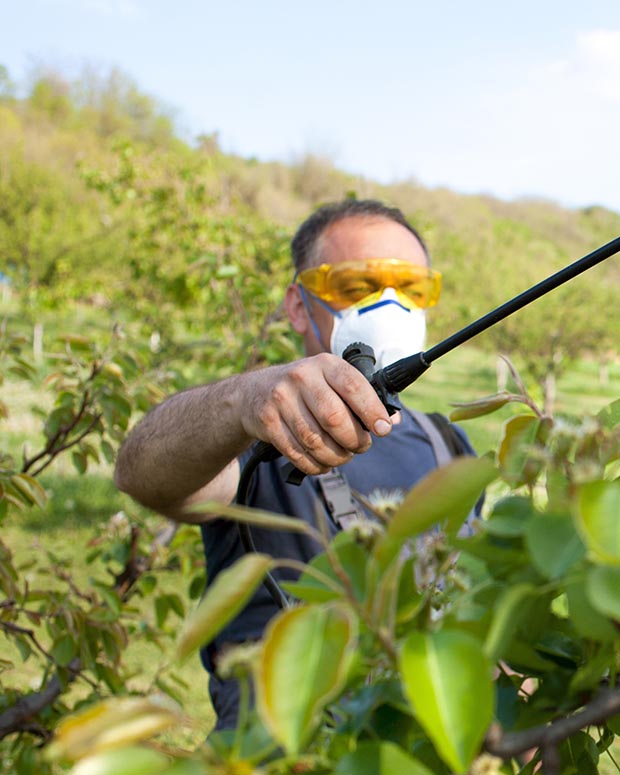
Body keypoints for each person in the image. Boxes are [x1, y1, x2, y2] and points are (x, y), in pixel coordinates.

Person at [114, 199, 475, 731]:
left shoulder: (449, 443)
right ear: (300, 305)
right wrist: (241, 403)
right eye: (358, 286)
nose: (390, 306)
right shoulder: (251, 429)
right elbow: (142, 475)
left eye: (412, 288)